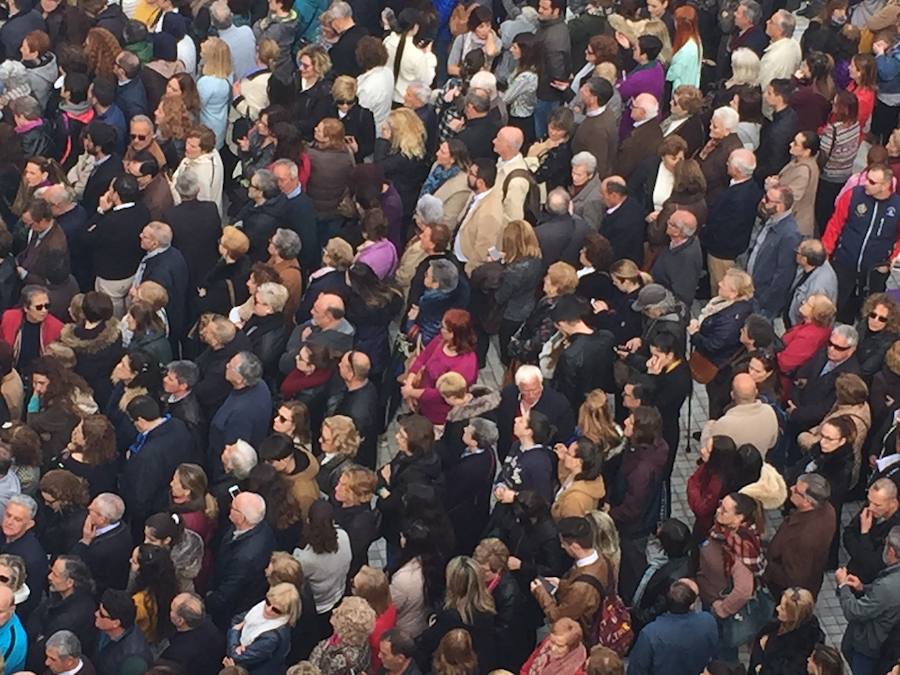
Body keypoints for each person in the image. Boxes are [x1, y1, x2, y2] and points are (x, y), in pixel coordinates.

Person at [823, 163, 900, 324]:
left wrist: (891, 259)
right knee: (835, 304)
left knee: (869, 312)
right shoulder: (853, 195)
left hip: (874, 270)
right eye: (866, 179)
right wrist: (826, 251)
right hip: (845, 262)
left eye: (872, 182)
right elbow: (835, 224)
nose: (866, 183)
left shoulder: (896, 207)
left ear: (885, 185)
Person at [836, 526, 900, 675]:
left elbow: (854, 612)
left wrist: (843, 585)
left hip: (869, 643)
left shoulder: (887, 585)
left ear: (891, 551)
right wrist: (863, 588)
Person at [206, 492, 275, 628]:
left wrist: (208, 601)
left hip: (232, 608)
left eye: (233, 507)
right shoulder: (258, 527)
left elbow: (227, 593)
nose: (229, 506)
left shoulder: (245, 558)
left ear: (242, 518)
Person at [84, 175, 150, 317]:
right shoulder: (143, 210)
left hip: (111, 277)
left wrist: (100, 212)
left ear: (116, 195)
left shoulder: (110, 222)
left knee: (112, 311)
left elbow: (86, 237)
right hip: (133, 271)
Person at [529, 515, 607, 635]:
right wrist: (561, 584)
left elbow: (558, 618)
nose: (561, 546)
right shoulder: (601, 560)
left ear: (575, 546)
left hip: (578, 635)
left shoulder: (581, 588)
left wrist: (540, 592)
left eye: (563, 543)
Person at [765, 473, 836, 599]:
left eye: (796, 490)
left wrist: (766, 567)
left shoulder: (804, 537)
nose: (791, 488)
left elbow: (795, 577)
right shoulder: (828, 510)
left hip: (785, 589)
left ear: (807, 502)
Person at [628, 578, 717, 675]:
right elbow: (712, 653)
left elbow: (636, 671)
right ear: (691, 604)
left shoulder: (650, 634)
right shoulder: (708, 621)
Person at [208, 351, 272, 479]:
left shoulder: (241, 414)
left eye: (231, 367)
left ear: (240, 379)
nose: (226, 365)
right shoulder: (260, 384)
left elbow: (233, 455)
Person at [747, 185, 802, 320]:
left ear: (780, 206)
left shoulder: (789, 235)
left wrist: (765, 299)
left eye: (768, 199)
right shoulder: (772, 219)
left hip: (762, 299)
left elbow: (784, 275)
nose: (763, 201)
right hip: (753, 289)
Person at [225, 582, 298, 673]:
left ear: (285, 612)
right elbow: (236, 619)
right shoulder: (260, 608)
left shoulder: (271, 637)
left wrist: (235, 632)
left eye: (275, 610)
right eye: (268, 602)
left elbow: (237, 656)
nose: (268, 609)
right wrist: (237, 643)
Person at [749, 587, 825, 675]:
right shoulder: (780, 623)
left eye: (782, 608)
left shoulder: (802, 644)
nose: (777, 608)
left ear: (793, 616)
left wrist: (760, 666)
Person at [71, 493, 131, 595]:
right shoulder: (122, 527)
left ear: (102, 519)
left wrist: (85, 541)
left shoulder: (102, 549)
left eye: (92, 510)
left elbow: (74, 565)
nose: (88, 507)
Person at [843, 478, 900, 584]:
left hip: (871, 582)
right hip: (853, 571)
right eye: (869, 501)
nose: (871, 508)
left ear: (893, 503)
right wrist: (861, 555)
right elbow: (848, 533)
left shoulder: (896, 530)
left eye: (877, 505)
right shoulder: (872, 505)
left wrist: (864, 533)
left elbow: (873, 564)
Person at [160, 593, 227, 675]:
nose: (170, 612)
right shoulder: (212, 627)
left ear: (180, 621)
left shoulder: (175, 654)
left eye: (172, 610)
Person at [309, 594, 376, 673]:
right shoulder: (361, 637)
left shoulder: (340, 660)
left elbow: (318, 671)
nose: (334, 611)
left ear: (346, 629)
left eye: (339, 614)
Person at [92, 588, 153, 675]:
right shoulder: (105, 629)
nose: (96, 613)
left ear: (116, 623)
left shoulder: (133, 661)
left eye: (101, 614)